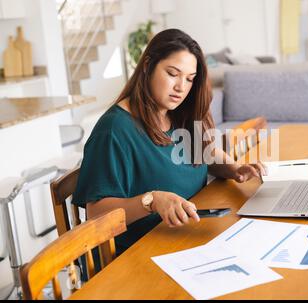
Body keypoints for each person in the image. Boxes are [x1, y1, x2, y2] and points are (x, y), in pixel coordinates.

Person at [72, 29, 266, 254]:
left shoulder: (178, 113)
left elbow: (204, 153)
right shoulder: (114, 130)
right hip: (139, 254)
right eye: (173, 73)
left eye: (189, 79)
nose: (181, 87)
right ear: (147, 66)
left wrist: (234, 169)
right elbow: (96, 214)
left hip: (187, 238)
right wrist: (151, 201)